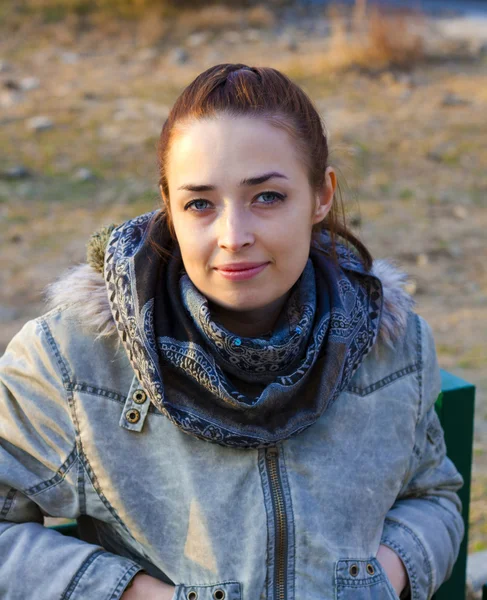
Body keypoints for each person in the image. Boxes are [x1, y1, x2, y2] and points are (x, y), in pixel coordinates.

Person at [0, 63, 464, 600]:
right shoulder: (73, 358)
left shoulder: (390, 342)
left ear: (321, 195)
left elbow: (434, 496)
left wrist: (375, 576)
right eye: (200, 204)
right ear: (170, 209)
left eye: (267, 197)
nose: (233, 236)